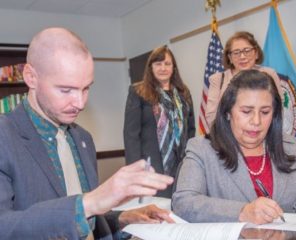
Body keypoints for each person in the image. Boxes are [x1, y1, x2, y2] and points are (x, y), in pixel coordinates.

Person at [0, 27, 174, 239]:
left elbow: (86, 220)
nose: (80, 103)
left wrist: (124, 217)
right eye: (66, 90)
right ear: (31, 77)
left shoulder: (83, 138)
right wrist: (90, 202)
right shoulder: (5, 136)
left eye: (86, 88)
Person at [172, 70, 296, 224]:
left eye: (265, 112)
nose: (256, 121)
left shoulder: (291, 147)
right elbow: (184, 203)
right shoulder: (202, 149)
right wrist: (242, 212)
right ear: (227, 113)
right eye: (246, 111)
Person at [124, 46, 195, 198]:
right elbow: (131, 135)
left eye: (167, 64)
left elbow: (191, 129)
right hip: (152, 166)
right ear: (150, 67)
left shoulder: (183, 93)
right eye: (158, 64)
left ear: (173, 67)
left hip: (182, 166)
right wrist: (136, 170)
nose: (163, 68)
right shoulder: (138, 92)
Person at [205, 31, 282, 128]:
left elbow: (279, 109)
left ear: (256, 53)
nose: (242, 56)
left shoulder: (269, 74)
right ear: (230, 58)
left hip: (263, 132)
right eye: (236, 53)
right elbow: (211, 117)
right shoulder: (218, 79)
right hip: (228, 137)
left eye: (247, 51)